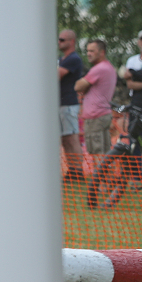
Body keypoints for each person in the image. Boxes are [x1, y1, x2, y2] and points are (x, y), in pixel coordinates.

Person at [75, 39, 117, 155]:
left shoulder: (99, 69)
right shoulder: (109, 67)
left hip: (95, 117)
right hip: (103, 114)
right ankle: (107, 173)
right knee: (105, 152)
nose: (88, 54)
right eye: (88, 51)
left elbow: (78, 86)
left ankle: (100, 174)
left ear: (102, 52)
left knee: (96, 152)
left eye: (92, 51)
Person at [58, 29, 84, 181]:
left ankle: (78, 171)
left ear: (71, 42)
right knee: (65, 139)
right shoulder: (63, 59)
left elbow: (56, 75)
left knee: (72, 138)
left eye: (62, 40)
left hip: (68, 103)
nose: (59, 42)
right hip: (62, 104)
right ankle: (72, 170)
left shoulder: (73, 59)